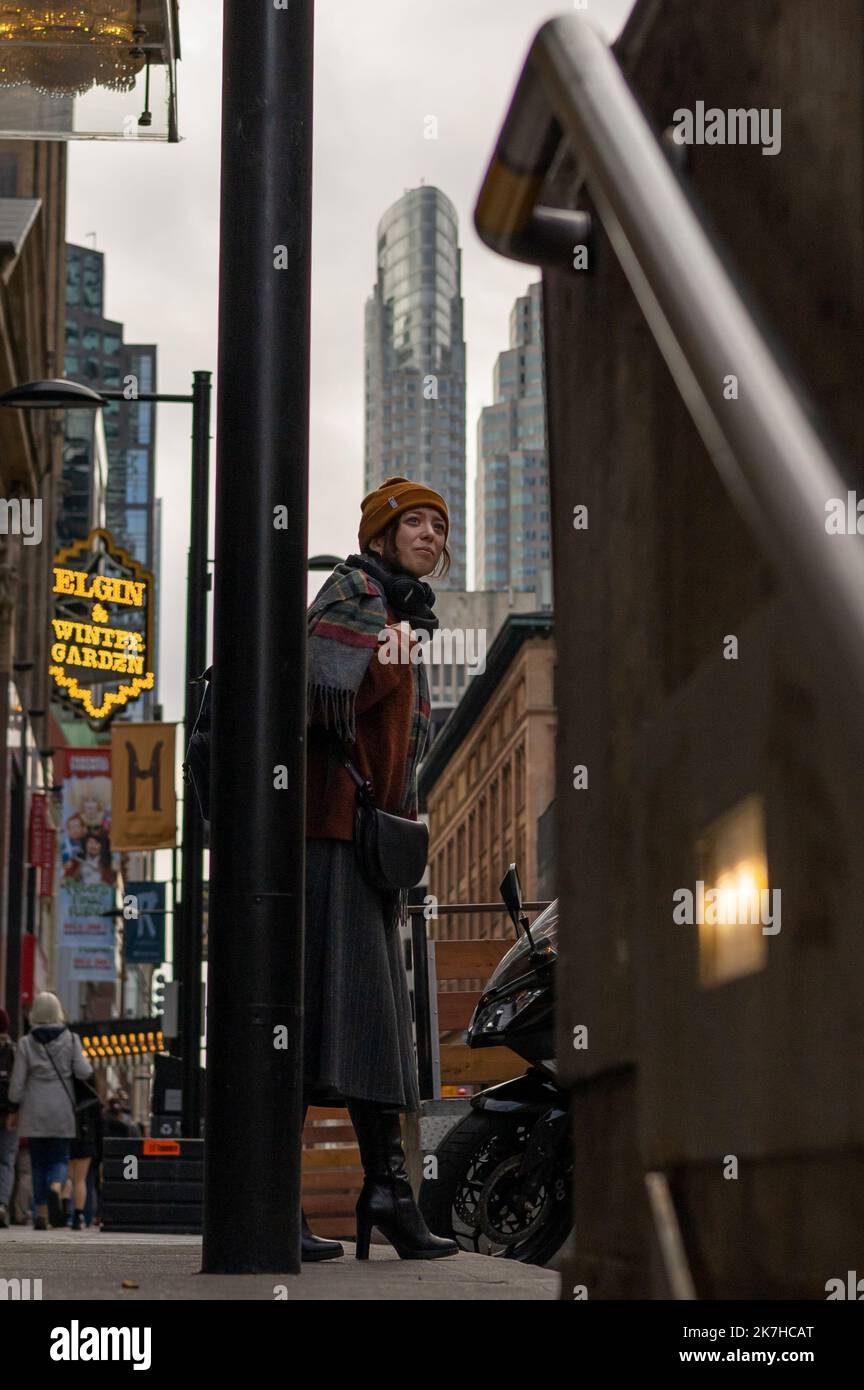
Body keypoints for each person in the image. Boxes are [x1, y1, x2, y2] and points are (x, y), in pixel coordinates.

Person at [303, 475, 459, 1262]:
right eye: (417, 524)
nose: (432, 535)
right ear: (381, 536)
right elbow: (323, 694)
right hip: (327, 837)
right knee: (315, 1017)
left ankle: (387, 1192)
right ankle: (292, 1197)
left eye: (439, 525)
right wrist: (393, 654)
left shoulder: (403, 612)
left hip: (366, 847)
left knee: (367, 1022)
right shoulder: (355, 590)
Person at [5, 992, 94, 1230]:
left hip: (34, 1109)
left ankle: (41, 1214)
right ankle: (56, 1185)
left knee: (37, 1163)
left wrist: (14, 1105)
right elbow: (85, 1072)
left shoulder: (26, 1043)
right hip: (62, 1108)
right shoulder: (72, 1040)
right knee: (59, 1157)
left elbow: (18, 1082)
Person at [0, 1007, 18, 1226]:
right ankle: (2, 1204)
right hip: (8, 1116)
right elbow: (18, 1084)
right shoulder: (13, 1051)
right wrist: (15, 1110)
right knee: (6, 1162)